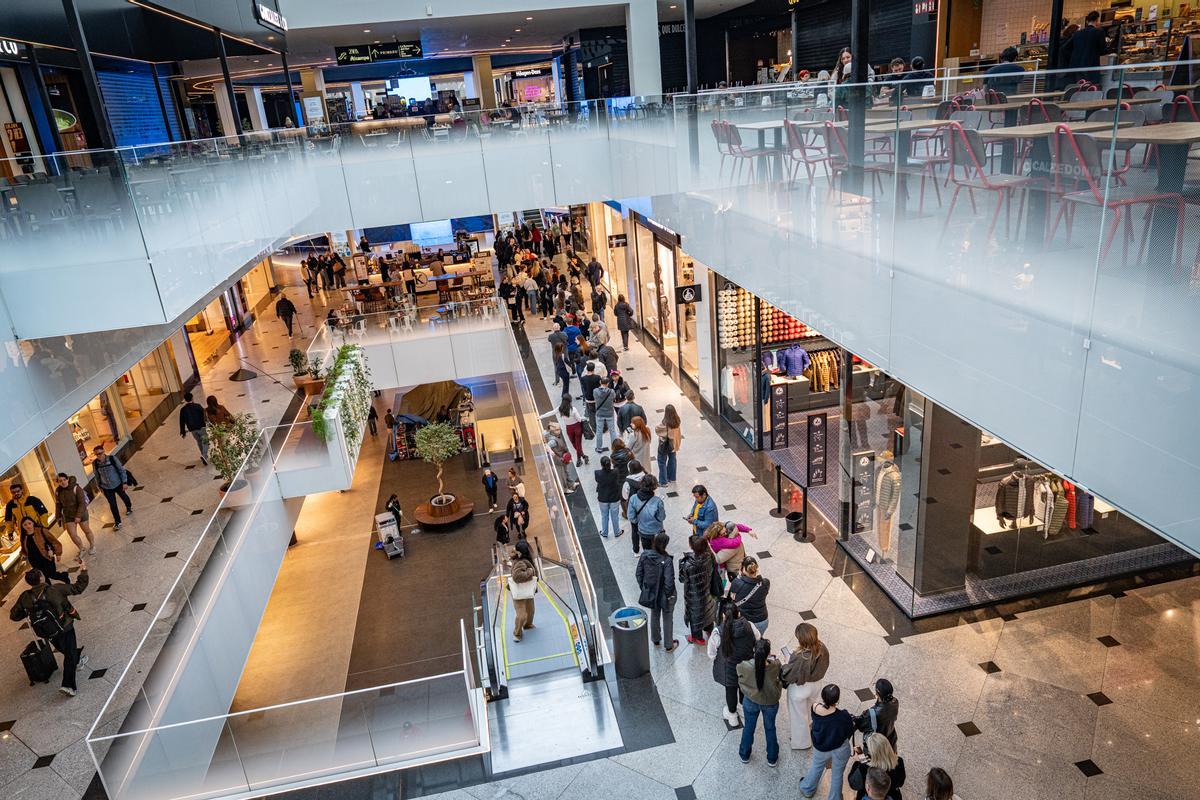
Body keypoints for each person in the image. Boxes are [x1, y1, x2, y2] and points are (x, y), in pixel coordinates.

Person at [9, 564, 90, 696]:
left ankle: (78, 658)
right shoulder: (55, 589)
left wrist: (30, 611)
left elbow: (14, 615)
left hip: (47, 632)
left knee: (66, 649)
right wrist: (84, 571)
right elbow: (78, 588)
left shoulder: (25, 597)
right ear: (41, 578)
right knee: (69, 655)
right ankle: (68, 686)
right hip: (65, 626)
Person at [799, 684, 857, 800]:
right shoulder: (843, 715)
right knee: (837, 775)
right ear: (837, 699)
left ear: (822, 696)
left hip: (821, 748)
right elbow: (849, 730)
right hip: (840, 749)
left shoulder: (815, 708)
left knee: (816, 767)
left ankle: (807, 789)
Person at [783, 622, 830, 750]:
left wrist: (787, 663)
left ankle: (802, 743)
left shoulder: (800, 656)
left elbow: (790, 676)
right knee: (808, 708)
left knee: (798, 716)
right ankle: (809, 724)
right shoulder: (823, 648)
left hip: (800, 689)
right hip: (816, 685)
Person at [736, 638, 782, 766]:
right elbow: (780, 679)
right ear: (769, 653)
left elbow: (739, 673)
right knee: (770, 728)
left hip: (751, 700)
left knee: (749, 728)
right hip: (770, 702)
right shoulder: (776, 665)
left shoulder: (745, 665)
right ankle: (772, 758)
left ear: (754, 651)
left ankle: (744, 754)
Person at [713, 598, 757, 727]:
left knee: (730, 690)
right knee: (743, 687)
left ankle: (732, 716)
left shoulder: (718, 632)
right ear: (738, 614)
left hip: (729, 669)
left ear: (723, 616)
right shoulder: (749, 625)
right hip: (746, 666)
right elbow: (757, 638)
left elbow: (711, 653)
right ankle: (743, 708)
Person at [636, 533, 677, 651]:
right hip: (665, 594)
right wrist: (669, 595)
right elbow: (669, 581)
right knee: (667, 617)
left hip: (652, 593)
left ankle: (656, 639)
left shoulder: (644, 555)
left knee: (654, 614)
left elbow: (639, 574)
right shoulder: (667, 560)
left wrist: (645, 589)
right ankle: (669, 645)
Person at [678, 534, 719, 645]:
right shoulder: (709, 557)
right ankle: (709, 630)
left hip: (693, 595)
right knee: (708, 608)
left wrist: (680, 565)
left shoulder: (687, 564)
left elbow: (681, 579)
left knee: (695, 615)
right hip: (707, 589)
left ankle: (698, 638)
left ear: (692, 547)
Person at [848, 734, 906, 800]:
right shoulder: (898, 761)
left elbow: (853, 785)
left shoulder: (864, 768)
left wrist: (857, 763)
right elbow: (901, 783)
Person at [1063, 10, 1112, 87]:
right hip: (1091, 67)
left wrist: (1074, 56)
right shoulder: (1099, 32)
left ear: (1087, 21)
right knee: (1091, 88)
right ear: (1097, 20)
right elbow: (1103, 50)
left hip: (1077, 67)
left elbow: (1065, 48)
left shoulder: (1077, 33)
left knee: (1079, 88)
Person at [54, 473, 94, 559]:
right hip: (68, 515)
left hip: (81, 513)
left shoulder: (76, 488)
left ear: (67, 479)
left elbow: (82, 503)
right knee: (72, 534)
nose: (63, 482)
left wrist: (78, 516)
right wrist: (58, 516)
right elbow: (58, 504)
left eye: (64, 480)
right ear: (58, 482)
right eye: (60, 481)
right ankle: (81, 549)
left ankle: (92, 546)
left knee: (86, 530)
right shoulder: (58, 491)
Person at [92, 446, 133, 530]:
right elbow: (96, 476)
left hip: (118, 483)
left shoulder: (112, 459)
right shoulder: (95, 463)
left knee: (124, 496)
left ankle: (128, 506)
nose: (99, 456)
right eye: (96, 454)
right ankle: (118, 521)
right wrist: (99, 487)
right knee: (112, 504)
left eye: (100, 453)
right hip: (106, 487)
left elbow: (121, 470)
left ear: (103, 452)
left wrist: (124, 482)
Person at [20, 517, 69, 584]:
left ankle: (64, 576)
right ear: (22, 526)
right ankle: (48, 590)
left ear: (33, 523)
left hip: (46, 557)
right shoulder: (23, 536)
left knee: (52, 574)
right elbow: (24, 548)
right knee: (43, 577)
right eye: (25, 525)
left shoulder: (41, 530)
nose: (28, 526)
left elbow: (54, 541)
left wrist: (58, 554)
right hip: (34, 561)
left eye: (29, 523)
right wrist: (23, 554)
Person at [854, 678, 900, 748]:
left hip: (878, 744)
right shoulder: (895, 701)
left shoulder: (872, 713)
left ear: (877, 692)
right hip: (891, 738)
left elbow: (861, 725)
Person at [729, 556, 770, 635]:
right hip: (762, 620)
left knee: (746, 644)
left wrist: (739, 576)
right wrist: (759, 576)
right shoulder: (766, 583)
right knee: (758, 643)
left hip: (745, 621)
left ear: (743, 569)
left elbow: (733, 598)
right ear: (757, 568)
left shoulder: (736, 583)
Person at [626, 474, 666, 555]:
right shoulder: (658, 501)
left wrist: (639, 521)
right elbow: (661, 517)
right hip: (657, 531)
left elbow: (631, 517)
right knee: (659, 552)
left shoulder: (633, 498)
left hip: (643, 531)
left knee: (647, 552)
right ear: (654, 486)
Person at [508, 558, 538, 642]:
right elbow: (517, 577)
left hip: (528, 591)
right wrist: (531, 571)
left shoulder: (528, 560)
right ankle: (517, 633)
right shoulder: (520, 562)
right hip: (519, 593)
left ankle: (527, 625)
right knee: (522, 615)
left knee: (530, 611)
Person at [594, 456, 623, 539]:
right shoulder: (615, 472)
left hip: (602, 497)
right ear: (610, 464)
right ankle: (617, 532)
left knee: (604, 516)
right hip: (614, 497)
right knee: (615, 516)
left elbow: (597, 481)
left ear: (601, 465)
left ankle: (605, 532)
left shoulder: (597, 473)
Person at [179, 392, 208, 464]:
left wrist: (183, 432)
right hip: (201, 427)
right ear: (192, 398)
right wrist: (207, 423)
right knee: (205, 441)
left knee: (199, 441)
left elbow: (181, 421)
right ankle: (204, 455)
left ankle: (203, 455)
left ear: (185, 400)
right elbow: (204, 415)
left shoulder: (183, 410)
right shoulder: (197, 406)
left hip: (192, 429)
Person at [657, 405, 682, 486]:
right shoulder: (677, 420)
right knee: (672, 460)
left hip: (665, 445)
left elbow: (658, 430)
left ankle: (663, 482)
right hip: (674, 444)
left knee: (661, 462)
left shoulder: (665, 423)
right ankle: (672, 478)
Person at [592, 376, 617, 454]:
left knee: (599, 431)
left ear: (600, 382)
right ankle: (614, 448)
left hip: (599, 413)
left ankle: (599, 448)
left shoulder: (595, 391)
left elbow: (595, 398)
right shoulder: (612, 391)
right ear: (608, 383)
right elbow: (614, 398)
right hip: (609, 413)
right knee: (612, 431)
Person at [579, 362, 602, 433]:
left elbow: (584, 388)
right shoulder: (598, 377)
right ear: (594, 369)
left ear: (586, 369)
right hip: (597, 398)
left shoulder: (583, 378)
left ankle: (594, 429)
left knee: (591, 415)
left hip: (588, 399)